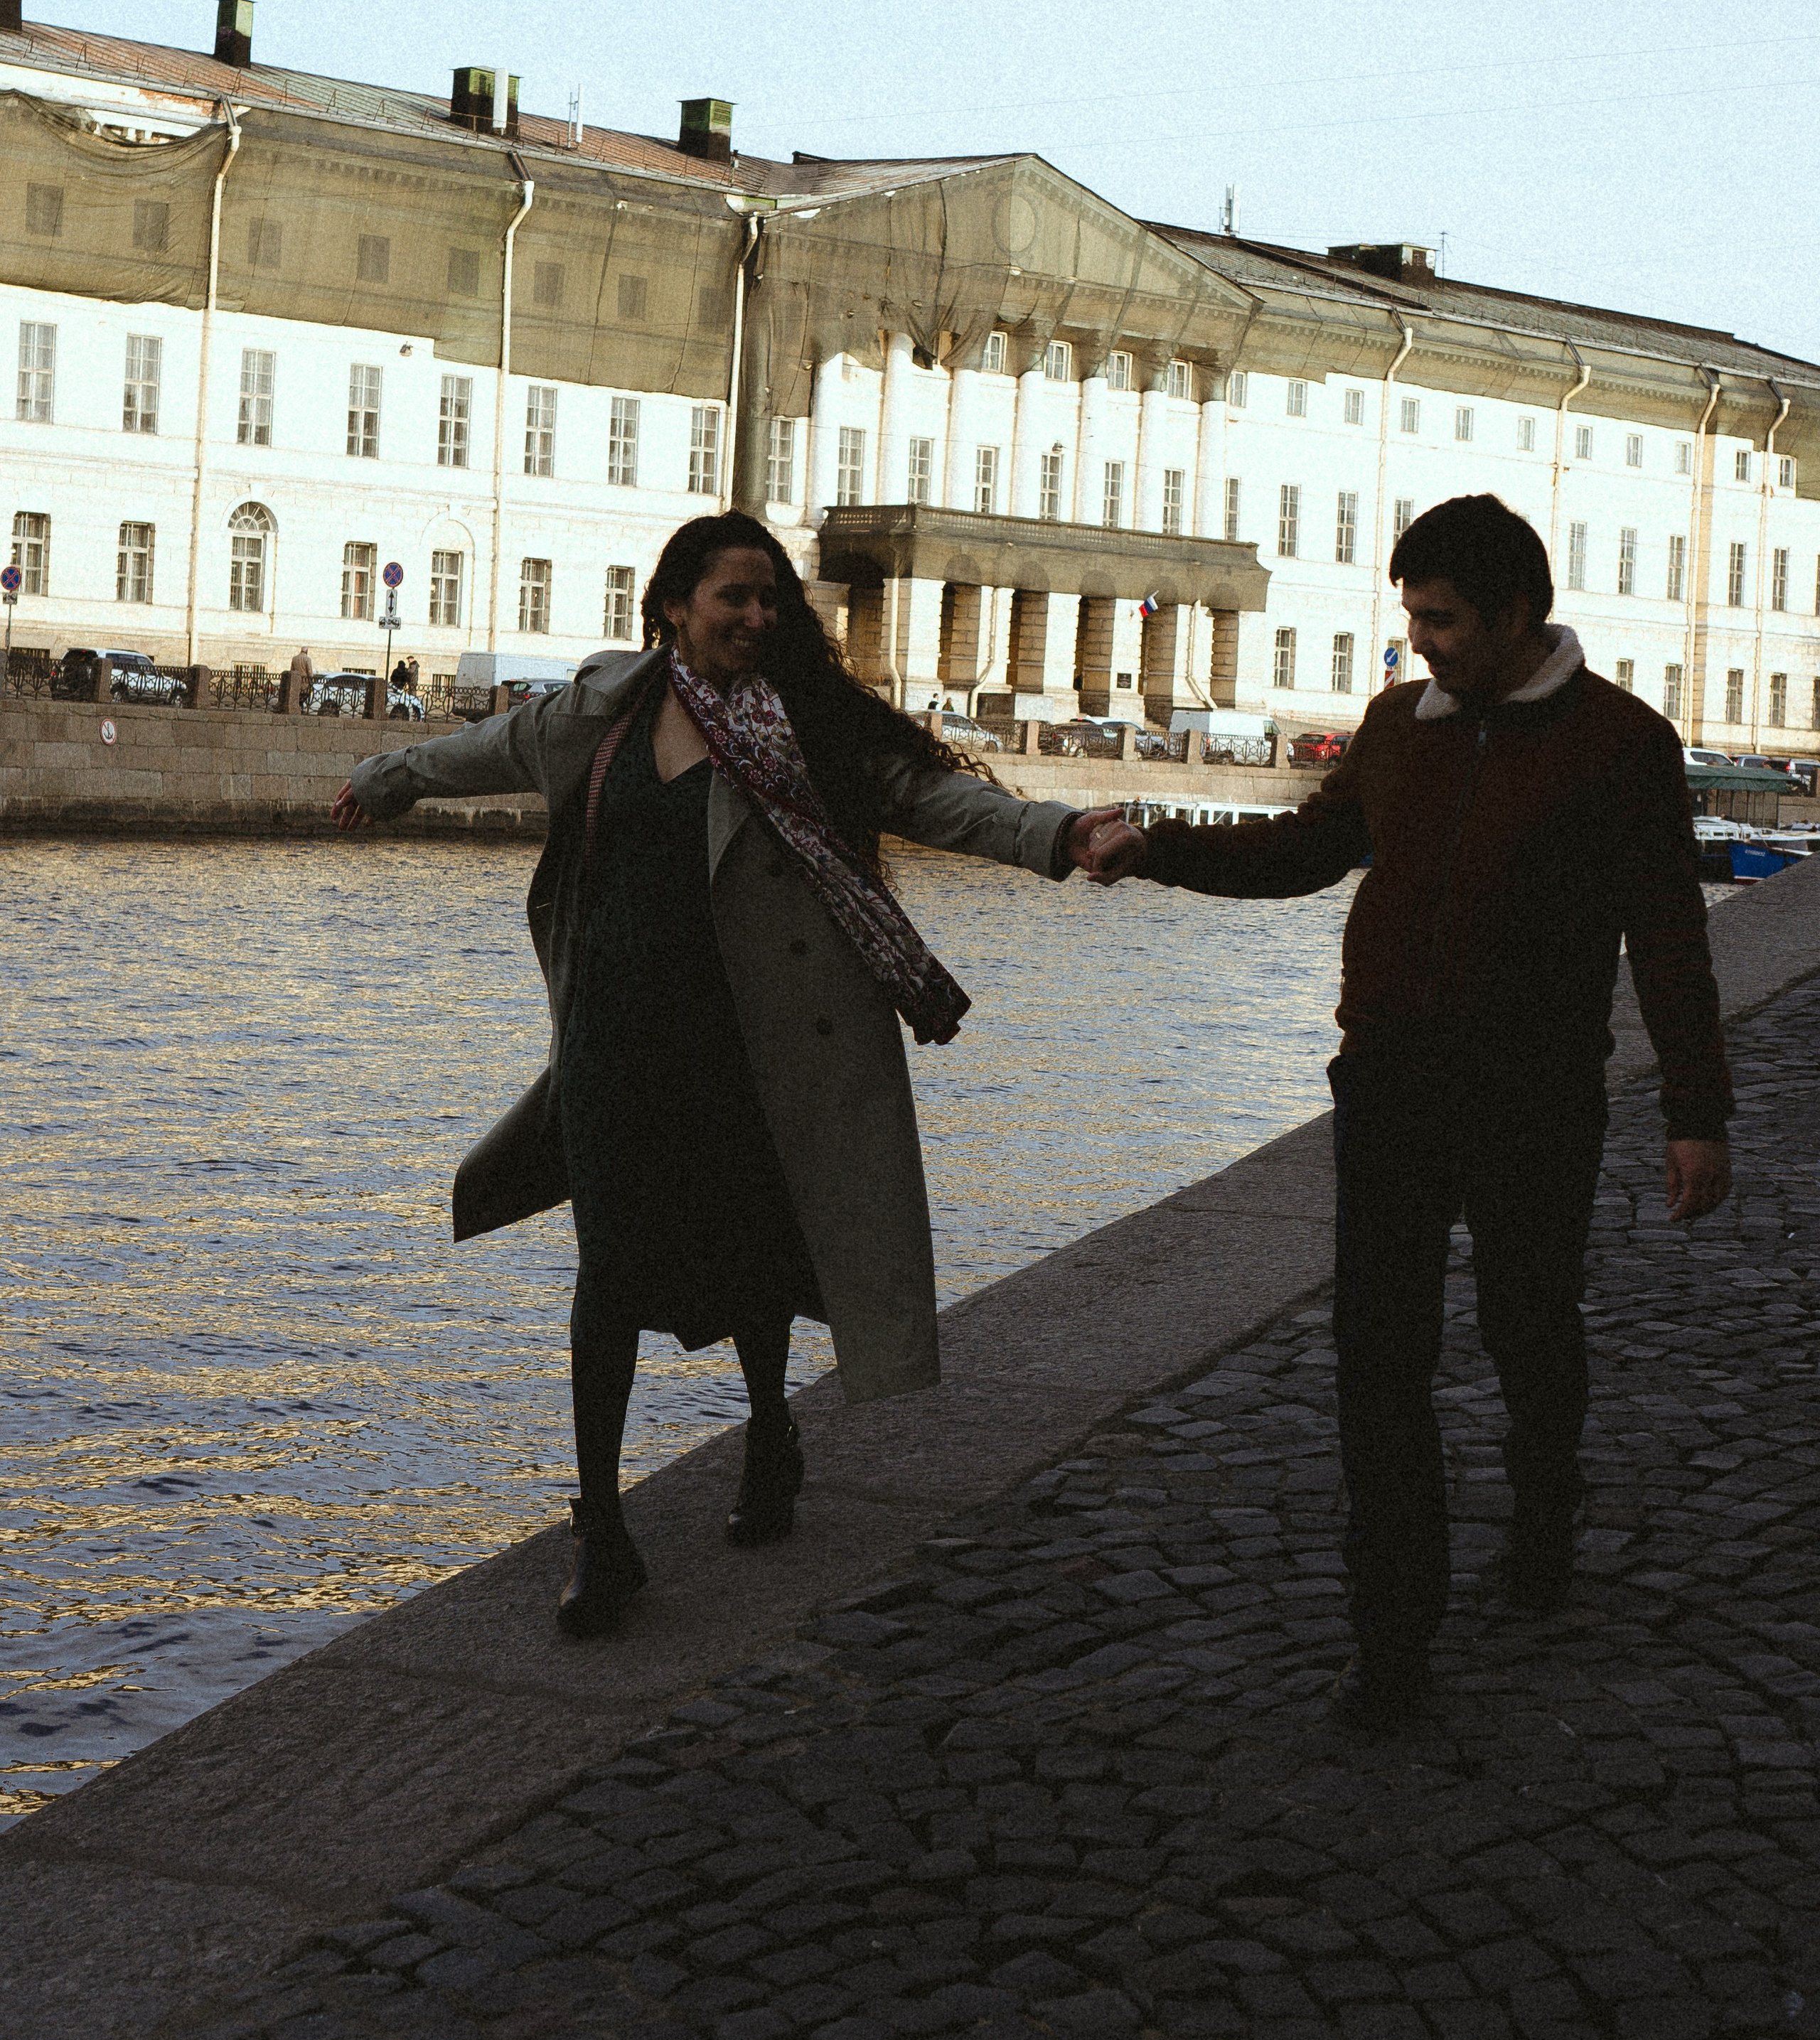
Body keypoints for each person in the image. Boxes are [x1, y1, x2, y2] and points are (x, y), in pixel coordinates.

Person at [331, 512, 1120, 1640]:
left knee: (751, 1250)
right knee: (607, 1274)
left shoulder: (806, 726)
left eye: (770, 600)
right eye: (733, 598)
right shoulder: (599, 715)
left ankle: (769, 1433)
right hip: (612, 1041)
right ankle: (602, 1527)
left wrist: (1060, 833)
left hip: (750, 1040)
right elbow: (484, 750)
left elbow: (933, 799)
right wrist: (386, 778)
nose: (756, 618)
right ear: (673, 608)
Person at [1079, 495, 1732, 1730]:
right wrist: (1156, 849)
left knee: (1529, 1324)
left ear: (1515, 613)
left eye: (1439, 619)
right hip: (1389, 1083)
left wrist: (1698, 1113)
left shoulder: (1620, 743)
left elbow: (1668, 937)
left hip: (1536, 1096)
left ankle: (1543, 1517)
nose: (1418, 640)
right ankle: (1394, 1633)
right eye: (1414, 617)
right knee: (1380, 1360)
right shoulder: (1396, 727)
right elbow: (1303, 855)